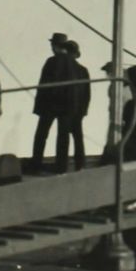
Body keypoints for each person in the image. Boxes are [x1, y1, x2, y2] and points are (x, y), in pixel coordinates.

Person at [30, 33, 76, 173]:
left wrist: (40, 105)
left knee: (41, 134)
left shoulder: (51, 61)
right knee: (63, 136)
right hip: (66, 105)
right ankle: (61, 166)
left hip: (50, 104)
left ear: (55, 46)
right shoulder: (72, 63)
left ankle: (36, 164)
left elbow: (44, 84)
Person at [61, 39, 91, 171]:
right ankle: (80, 165)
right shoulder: (83, 70)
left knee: (63, 138)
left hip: (65, 110)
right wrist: (84, 110)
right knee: (78, 137)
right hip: (78, 110)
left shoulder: (63, 69)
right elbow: (87, 94)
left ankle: (61, 167)